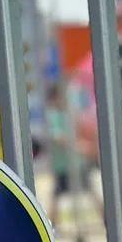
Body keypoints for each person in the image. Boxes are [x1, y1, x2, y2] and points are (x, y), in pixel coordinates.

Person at [45, 82, 103, 230]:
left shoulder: (67, 114)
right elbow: (58, 137)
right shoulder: (52, 115)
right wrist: (78, 146)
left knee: (90, 190)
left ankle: (106, 218)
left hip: (75, 163)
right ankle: (52, 225)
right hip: (63, 164)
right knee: (57, 195)